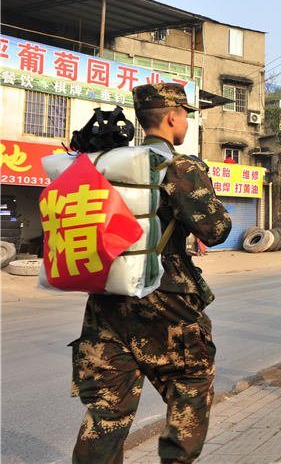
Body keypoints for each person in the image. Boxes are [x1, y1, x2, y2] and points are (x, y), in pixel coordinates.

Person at [71, 83, 232, 462]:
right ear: (173, 116)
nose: (187, 121)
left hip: (106, 295)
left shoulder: (106, 164)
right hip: (165, 295)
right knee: (190, 382)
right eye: (186, 115)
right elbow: (216, 230)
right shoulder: (178, 166)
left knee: (107, 409)